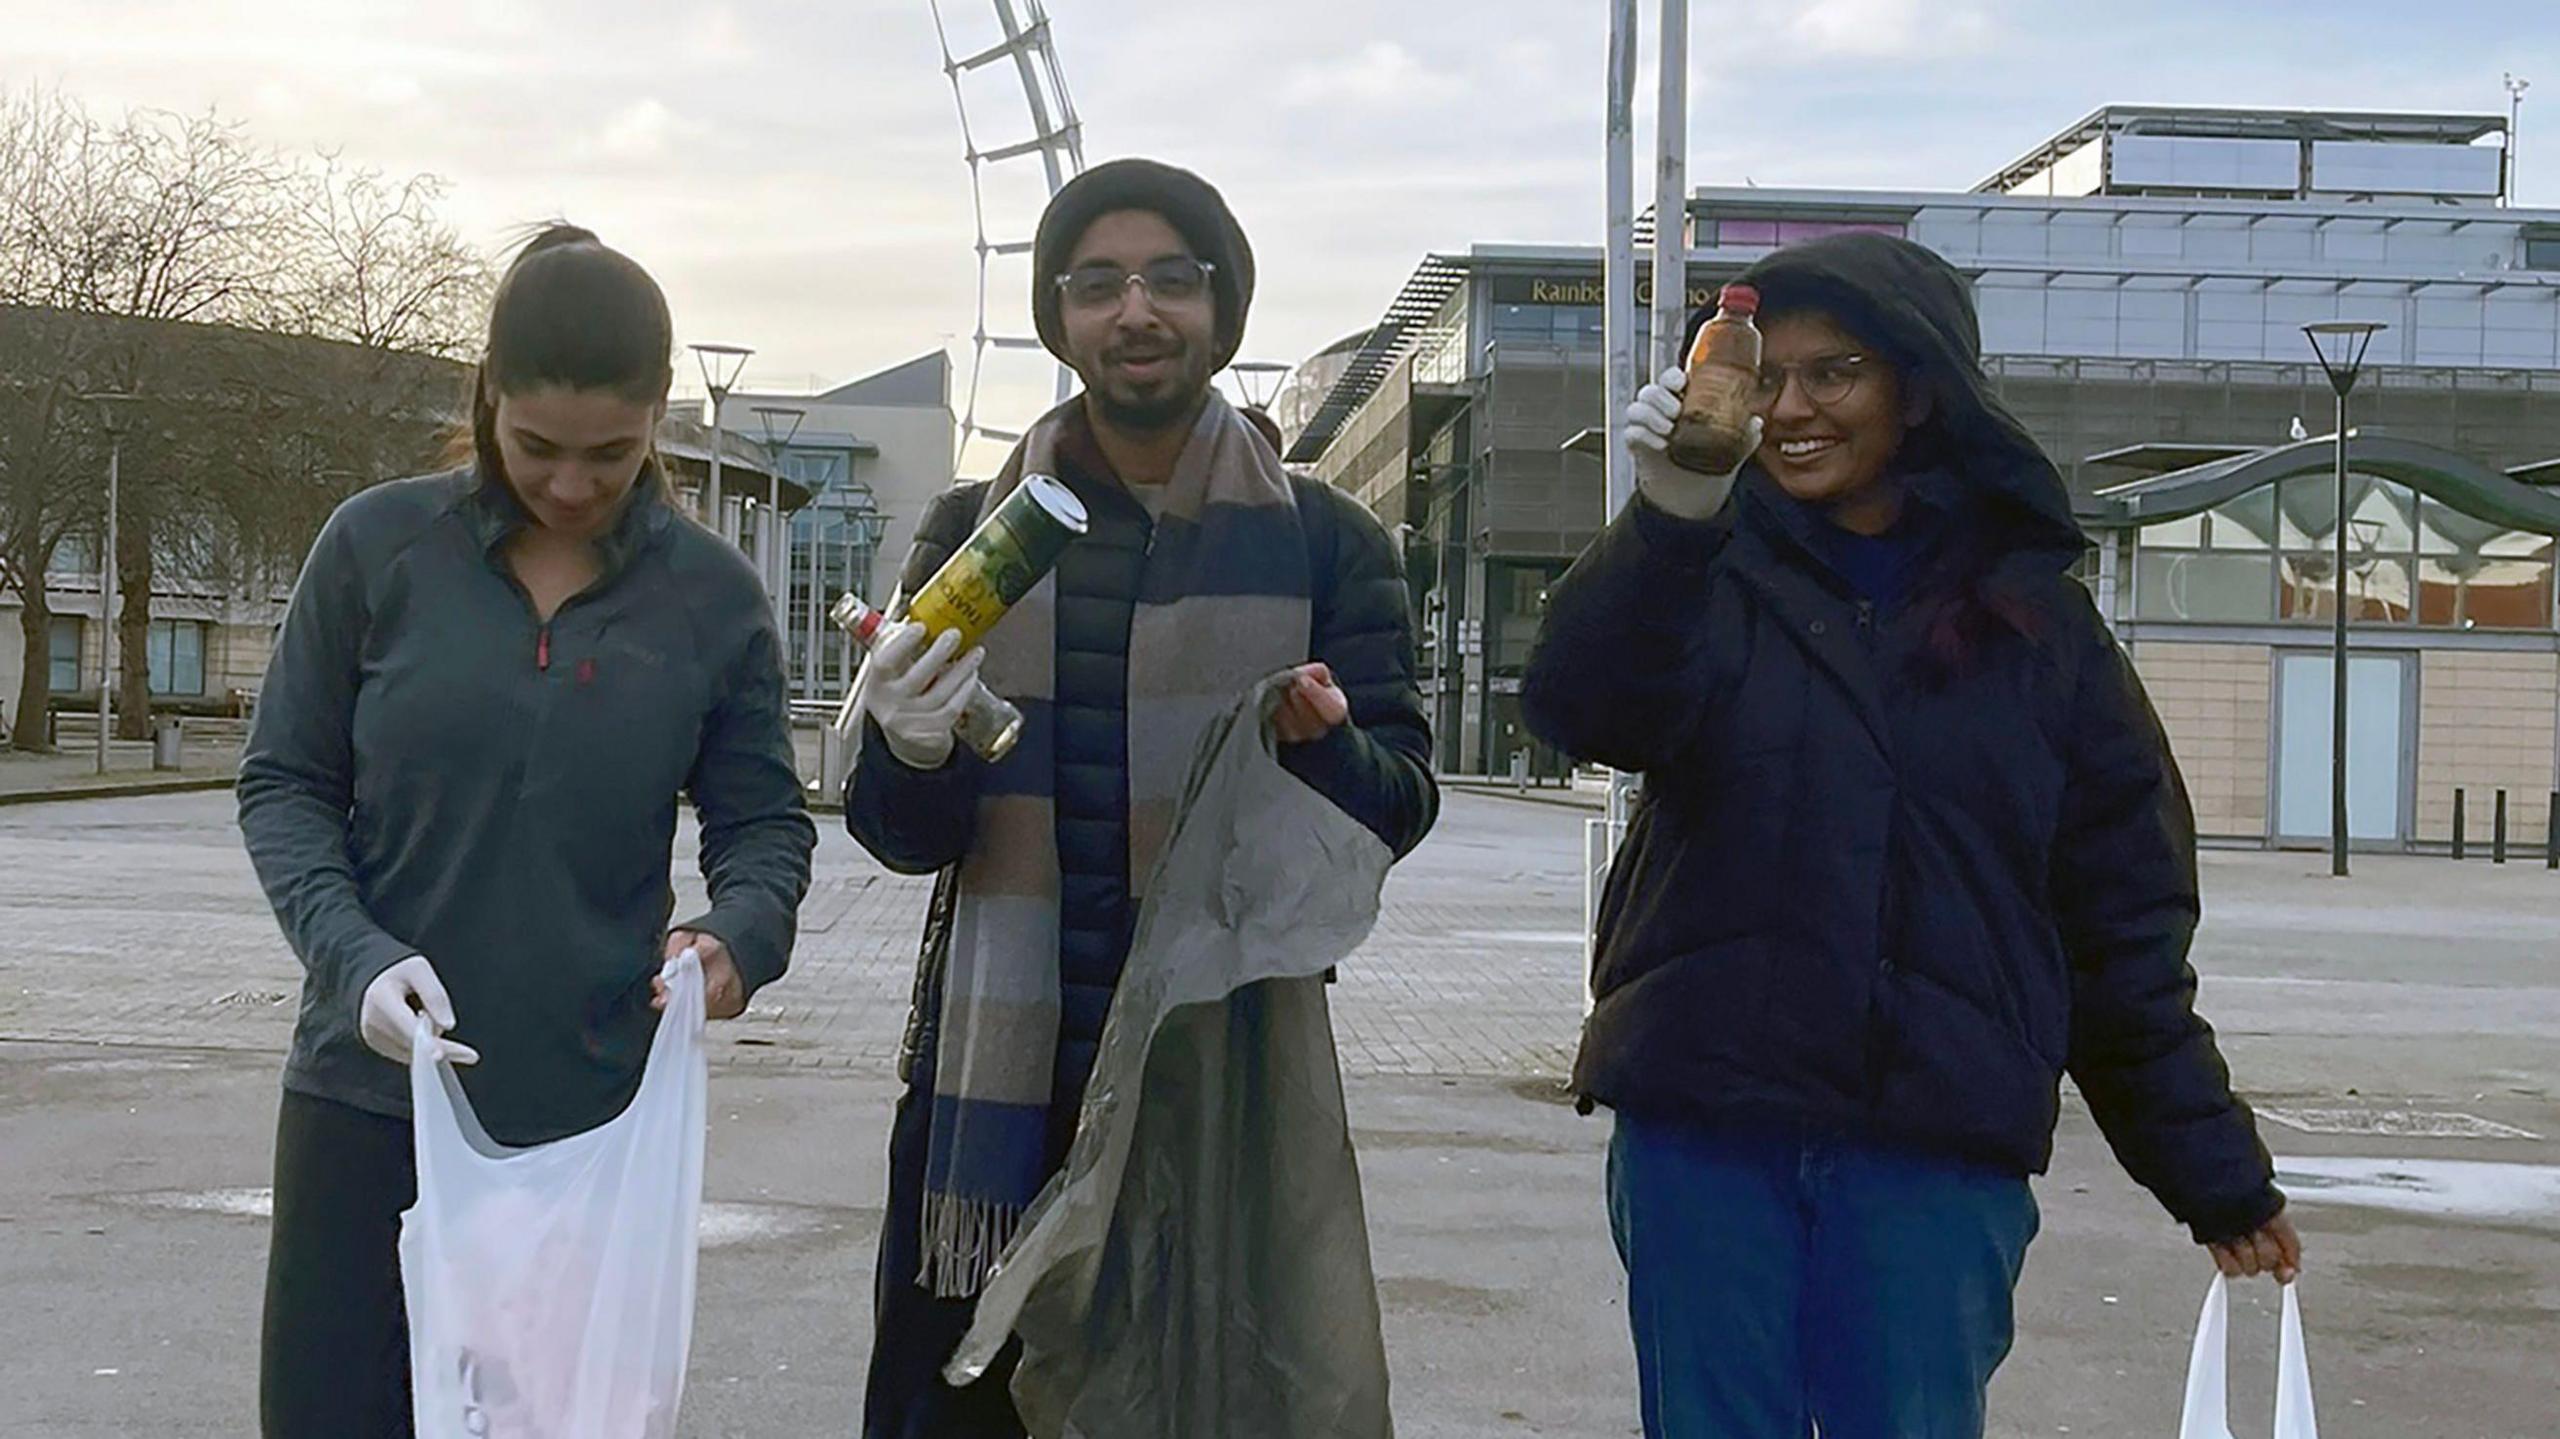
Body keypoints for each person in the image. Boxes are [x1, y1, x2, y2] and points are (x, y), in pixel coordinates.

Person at [1522, 231, 2297, 1439]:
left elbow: (2120, 923)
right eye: (1762, 376)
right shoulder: (1703, 577)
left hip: (1931, 1148)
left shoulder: (2039, 630)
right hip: (1709, 1130)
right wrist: (1669, 517)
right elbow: (1580, 709)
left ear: (1919, 389)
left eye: (1833, 373)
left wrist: (2211, 1170)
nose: (1789, 408)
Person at [846, 157, 1438, 1437]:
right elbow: (902, 838)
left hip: (1216, 1079)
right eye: (1100, 281)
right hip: (1000, 1085)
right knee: (964, 1406)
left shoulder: (1323, 539)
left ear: (1222, 310)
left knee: (1206, 1401)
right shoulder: (971, 525)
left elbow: (1398, 805)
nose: (1137, 309)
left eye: (1173, 279)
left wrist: (1329, 752)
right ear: (1059, 316)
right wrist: (912, 741)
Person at [237, 224, 816, 1437]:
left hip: (589, 1120)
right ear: (488, 394)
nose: (568, 484)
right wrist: (355, 958)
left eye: (610, 453)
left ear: (661, 411)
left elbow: (763, 822)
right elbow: (284, 783)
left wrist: (739, 937)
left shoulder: (710, 598)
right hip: (366, 1099)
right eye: (538, 446)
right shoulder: (377, 548)